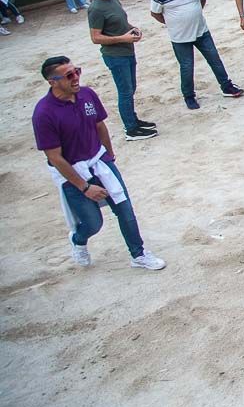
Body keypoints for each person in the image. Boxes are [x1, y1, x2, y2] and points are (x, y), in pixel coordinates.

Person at [33, 56, 167, 270]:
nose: (76, 77)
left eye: (77, 71)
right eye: (69, 75)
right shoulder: (44, 114)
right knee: (93, 223)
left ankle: (138, 254)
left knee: (125, 210)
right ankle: (78, 239)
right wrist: (84, 187)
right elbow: (55, 157)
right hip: (74, 173)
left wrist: (109, 156)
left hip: (100, 161)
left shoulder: (87, 95)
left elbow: (100, 125)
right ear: (53, 82)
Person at [150, 0, 244, 109]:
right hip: (180, 37)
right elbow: (155, 13)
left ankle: (226, 86)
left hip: (202, 31)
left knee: (215, 59)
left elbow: (202, 0)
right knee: (187, 67)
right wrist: (172, 23)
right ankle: (189, 96)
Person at [86, 0, 156, 141]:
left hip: (127, 51)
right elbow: (96, 37)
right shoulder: (95, 9)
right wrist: (123, 38)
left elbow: (121, 23)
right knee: (125, 91)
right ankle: (130, 129)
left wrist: (132, 28)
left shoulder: (114, 0)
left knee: (130, 88)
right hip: (115, 55)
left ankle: (133, 120)